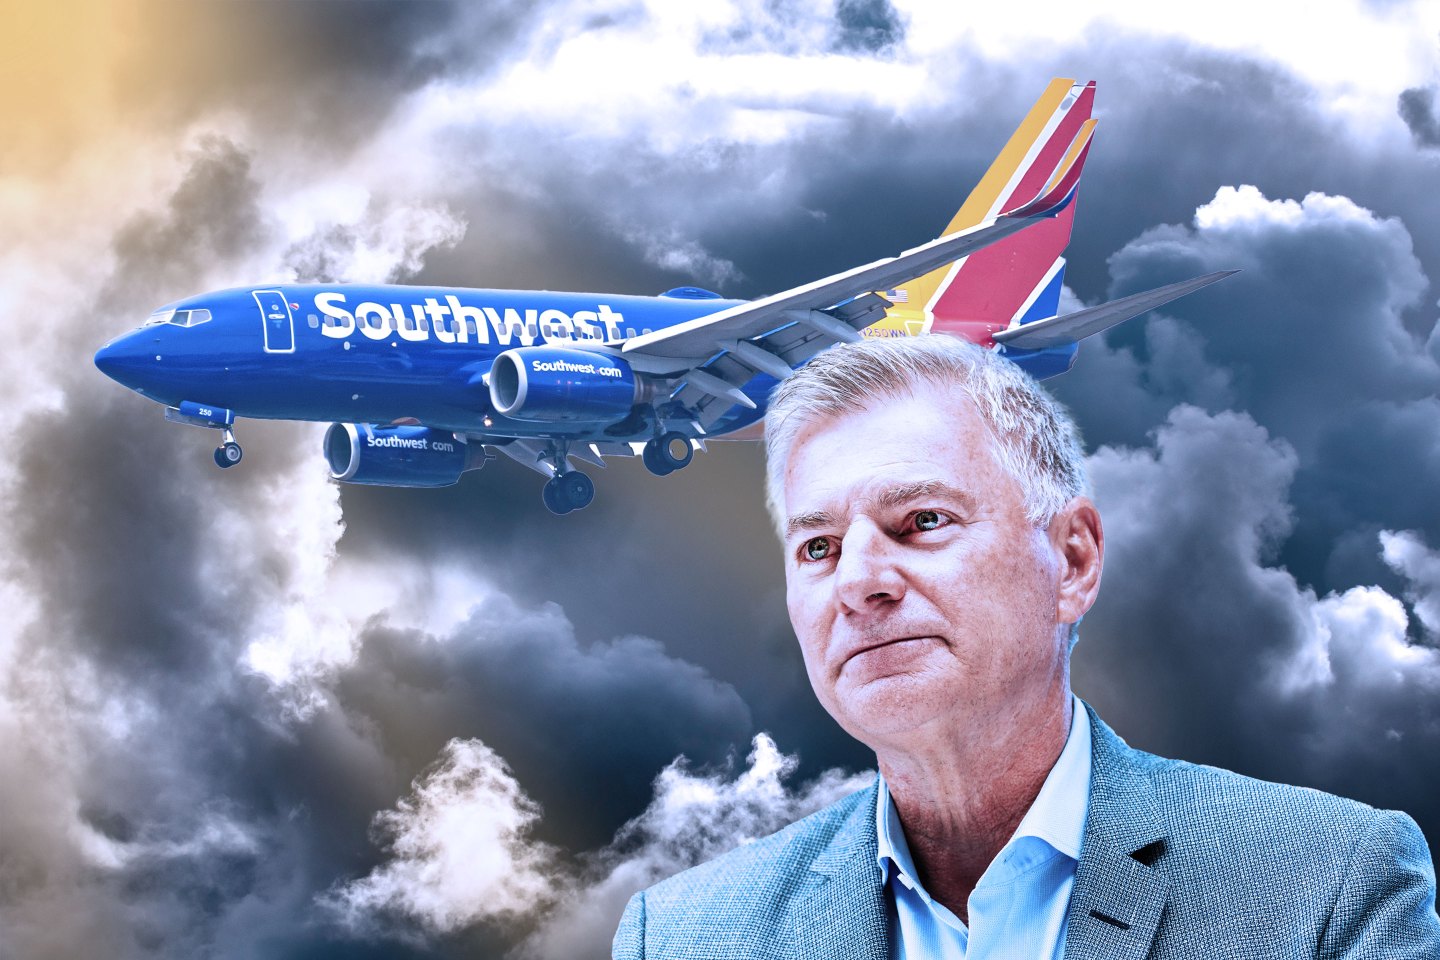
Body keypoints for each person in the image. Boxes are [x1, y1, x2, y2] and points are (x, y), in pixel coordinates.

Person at [612, 334, 1440, 959]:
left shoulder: (1327, 885)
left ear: (1072, 560)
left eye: (922, 522)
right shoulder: (683, 937)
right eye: (817, 547)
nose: (858, 580)